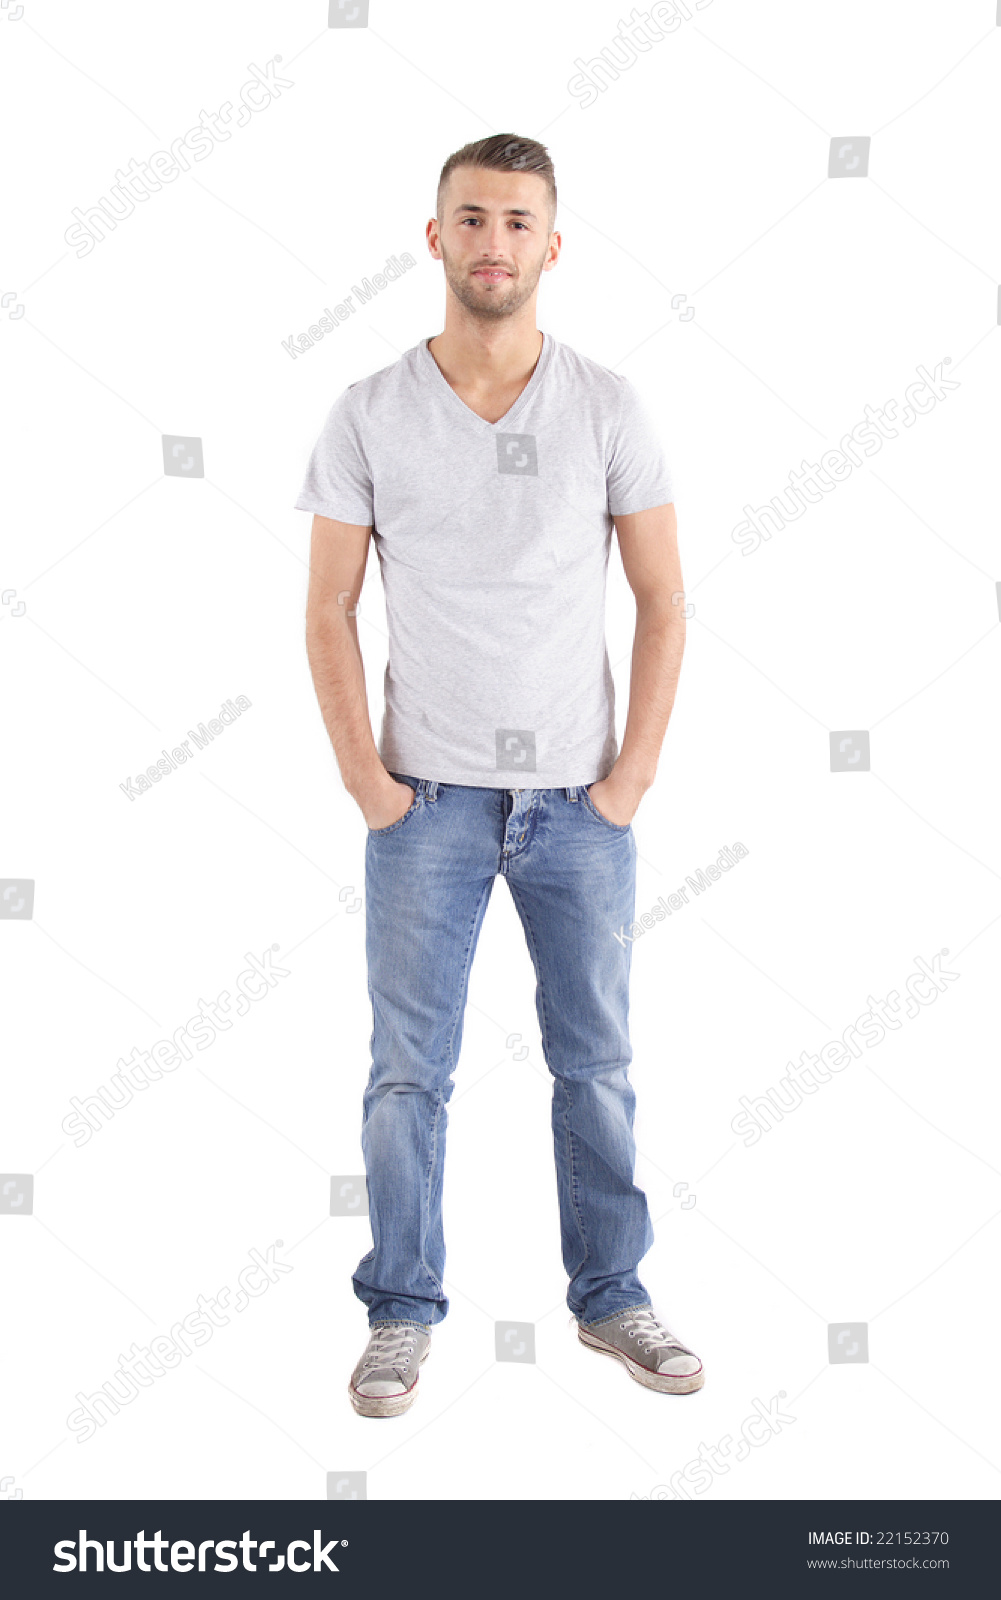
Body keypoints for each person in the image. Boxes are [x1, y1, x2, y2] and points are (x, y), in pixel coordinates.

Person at [295, 133, 703, 1418]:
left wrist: (628, 779)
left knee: (596, 1062)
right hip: (425, 806)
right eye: (470, 218)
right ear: (434, 238)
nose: (492, 242)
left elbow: (661, 599)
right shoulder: (369, 410)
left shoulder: (606, 405)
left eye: (518, 222)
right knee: (407, 1072)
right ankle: (401, 1309)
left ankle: (612, 1294)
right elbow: (327, 611)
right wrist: (371, 786)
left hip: (578, 807)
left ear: (551, 245)